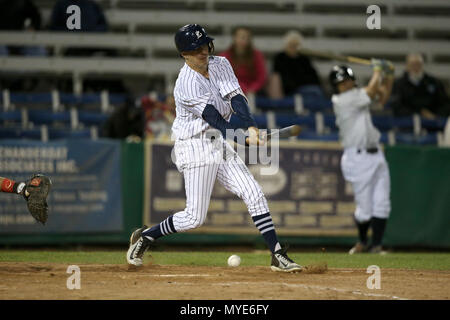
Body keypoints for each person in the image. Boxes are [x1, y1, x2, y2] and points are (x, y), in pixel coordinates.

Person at [126, 24, 302, 272]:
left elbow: (237, 99)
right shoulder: (186, 83)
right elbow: (215, 120)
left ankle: (277, 254)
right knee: (194, 218)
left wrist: (251, 126)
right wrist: (243, 139)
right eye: (195, 49)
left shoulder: (220, 64)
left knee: (254, 193)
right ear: (184, 54)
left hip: (216, 141)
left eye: (204, 45)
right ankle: (147, 236)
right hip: (194, 144)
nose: (203, 52)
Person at [329, 60, 394, 254]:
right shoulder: (341, 100)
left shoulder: (358, 96)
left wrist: (388, 75)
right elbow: (373, 91)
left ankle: (377, 245)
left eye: (348, 81)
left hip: (376, 154)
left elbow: (382, 96)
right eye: (342, 83)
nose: (346, 84)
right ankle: (361, 242)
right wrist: (377, 70)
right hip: (357, 157)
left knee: (382, 203)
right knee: (365, 206)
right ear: (337, 87)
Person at [389, 53, 450, 118]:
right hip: (406, 123)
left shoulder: (434, 82)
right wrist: (417, 115)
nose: (415, 68)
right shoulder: (399, 84)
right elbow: (396, 105)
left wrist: (435, 116)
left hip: (433, 124)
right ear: (407, 66)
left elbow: (445, 103)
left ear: (422, 65)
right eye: (412, 65)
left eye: (418, 64)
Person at [269, 30, 321, 97]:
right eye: (291, 45)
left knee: (316, 91)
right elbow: (284, 80)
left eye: (296, 45)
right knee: (315, 92)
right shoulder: (280, 58)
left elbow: (314, 77)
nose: (293, 48)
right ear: (286, 45)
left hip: (307, 88)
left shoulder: (304, 59)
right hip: (290, 91)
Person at [219, 26, 267, 95]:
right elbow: (225, 78)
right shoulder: (224, 56)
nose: (244, 40)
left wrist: (253, 88)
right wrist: (242, 88)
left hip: (254, 91)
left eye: (247, 37)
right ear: (234, 38)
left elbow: (262, 76)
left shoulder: (257, 55)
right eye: (241, 37)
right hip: (232, 90)